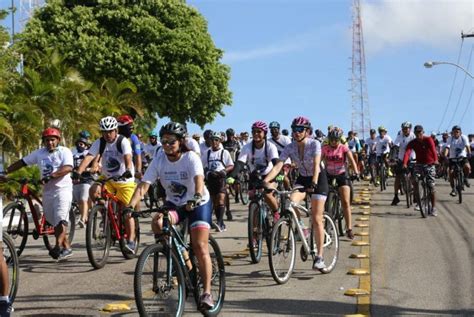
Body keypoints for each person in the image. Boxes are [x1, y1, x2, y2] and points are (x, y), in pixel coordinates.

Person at [126, 121, 215, 310]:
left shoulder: (190, 157)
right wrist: (130, 206)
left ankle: (207, 292)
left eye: (171, 142)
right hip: (175, 204)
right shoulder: (159, 159)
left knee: (200, 245)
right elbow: (144, 185)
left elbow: (199, 179)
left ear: (181, 141)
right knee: (158, 223)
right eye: (163, 141)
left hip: (198, 203)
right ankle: (182, 259)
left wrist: (197, 196)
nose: (166, 145)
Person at [264, 116, 329, 270]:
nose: (297, 132)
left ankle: (319, 257)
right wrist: (266, 181)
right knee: (290, 204)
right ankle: (304, 230)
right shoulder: (290, 147)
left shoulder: (315, 144)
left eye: (300, 130)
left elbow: (316, 164)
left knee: (316, 217)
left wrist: (313, 182)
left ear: (307, 131)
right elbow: (277, 166)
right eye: (295, 129)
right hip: (302, 178)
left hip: (318, 179)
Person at [4, 127, 74, 260]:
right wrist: (6, 172)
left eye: (52, 140)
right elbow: (22, 162)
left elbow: (68, 167)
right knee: (54, 221)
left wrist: (52, 176)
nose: (50, 143)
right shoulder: (39, 153)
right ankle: (67, 247)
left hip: (63, 190)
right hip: (47, 191)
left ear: (58, 140)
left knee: (60, 219)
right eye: (47, 140)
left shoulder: (65, 151)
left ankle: (58, 247)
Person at [74, 116, 138, 253]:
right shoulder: (100, 142)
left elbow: (128, 157)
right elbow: (89, 157)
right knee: (93, 191)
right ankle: (105, 213)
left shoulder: (123, 141)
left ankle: (131, 241)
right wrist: (78, 171)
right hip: (107, 178)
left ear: (116, 130)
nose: (107, 135)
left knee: (128, 212)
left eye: (110, 131)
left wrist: (127, 170)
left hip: (124, 180)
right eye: (104, 132)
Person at [231, 121, 280, 220]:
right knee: (253, 199)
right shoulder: (247, 147)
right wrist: (232, 176)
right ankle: (256, 227)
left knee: (267, 195)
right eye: (254, 132)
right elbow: (240, 163)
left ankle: (276, 213)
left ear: (265, 133)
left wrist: (281, 174)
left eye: (259, 131)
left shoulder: (270, 146)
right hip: (255, 175)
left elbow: (276, 162)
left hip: (269, 174)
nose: (256, 134)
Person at [321, 128, 359, 240]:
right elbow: (318, 161)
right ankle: (325, 227)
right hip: (328, 174)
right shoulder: (325, 148)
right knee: (324, 201)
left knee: (346, 202)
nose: (334, 142)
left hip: (342, 174)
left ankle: (349, 229)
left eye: (336, 140)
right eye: (332, 139)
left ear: (339, 139)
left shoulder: (343, 148)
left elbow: (351, 160)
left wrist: (356, 172)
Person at [403, 125, 439, 216]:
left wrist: (436, 160)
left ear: (423, 132)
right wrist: (404, 163)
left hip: (430, 164)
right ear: (414, 133)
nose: (419, 134)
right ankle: (419, 202)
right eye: (417, 133)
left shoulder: (428, 139)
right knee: (415, 181)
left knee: (431, 185)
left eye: (420, 132)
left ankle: (434, 208)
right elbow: (407, 152)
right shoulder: (413, 142)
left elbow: (433, 150)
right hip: (419, 164)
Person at [203, 132, 234, 231]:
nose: (214, 142)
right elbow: (202, 166)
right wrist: (207, 172)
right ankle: (219, 221)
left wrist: (224, 171)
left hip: (221, 179)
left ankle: (220, 222)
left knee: (220, 198)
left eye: (216, 140)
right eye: (212, 140)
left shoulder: (224, 152)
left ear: (219, 141)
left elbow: (231, 165)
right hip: (211, 179)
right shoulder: (207, 153)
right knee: (213, 201)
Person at [71, 133, 94, 228]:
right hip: (75, 180)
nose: (80, 145)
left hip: (86, 180)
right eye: (78, 144)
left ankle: (83, 219)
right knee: (78, 202)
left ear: (86, 145)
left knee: (83, 199)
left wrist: (85, 169)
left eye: (82, 144)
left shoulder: (89, 154)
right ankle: (86, 215)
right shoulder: (73, 153)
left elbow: (93, 168)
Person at [391, 122, 416, 205]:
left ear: (410, 129)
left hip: (412, 158)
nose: (405, 130)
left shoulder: (413, 136)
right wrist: (393, 157)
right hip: (401, 158)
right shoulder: (400, 135)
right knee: (397, 177)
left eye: (406, 128)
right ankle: (395, 196)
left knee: (414, 176)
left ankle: (416, 194)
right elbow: (395, 146)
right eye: (403, 128)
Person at [444, 125, 471, 196]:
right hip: (453, 158)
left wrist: (469, 153)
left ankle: (465, 178)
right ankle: (453, 189)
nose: (456, 133)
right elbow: (447, 148)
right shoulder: (450, 138)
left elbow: (467, 146)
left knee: (467, 167)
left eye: (457, 131)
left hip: (462, 157)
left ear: (460, 132)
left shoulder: (463, 137)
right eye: (454, 131)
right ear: (452, 132)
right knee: (451, 173)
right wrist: (445, 155)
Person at [117, 114, 142, 179]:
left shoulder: (133, 138)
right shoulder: (114, 137)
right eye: (129, 125)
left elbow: (138, 155)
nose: (131, 128)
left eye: (131, 125)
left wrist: (138, 171)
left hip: (128, 171)